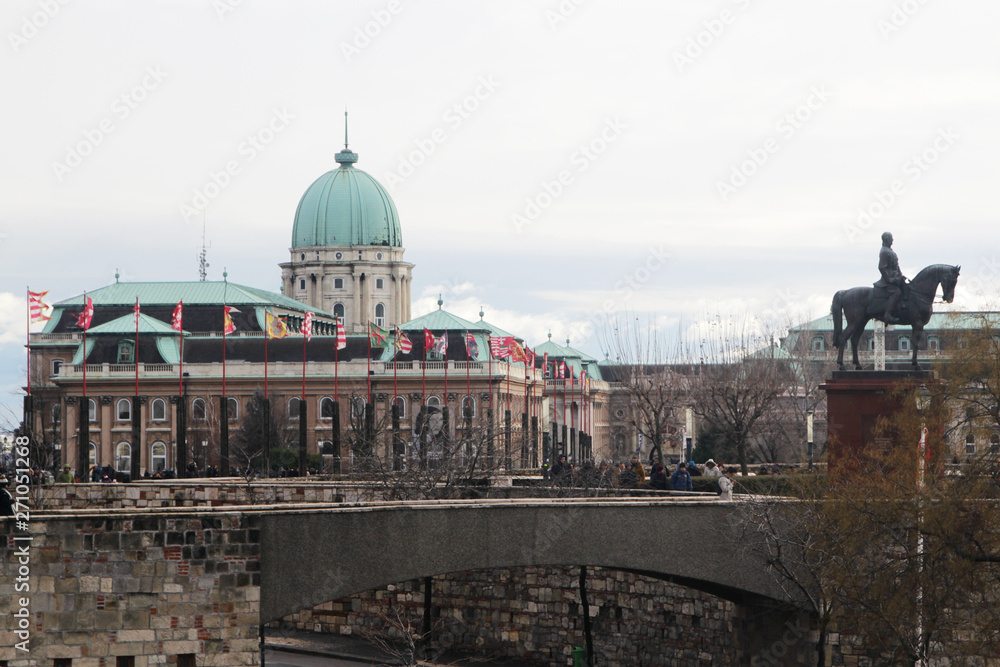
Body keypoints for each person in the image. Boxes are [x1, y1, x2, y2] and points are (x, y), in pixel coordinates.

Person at [875, 231, 907, 323]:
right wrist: (889, 280)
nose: (892, 240)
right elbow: (881, 267)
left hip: (896, 278)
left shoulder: (890, 251)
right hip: (888, 281)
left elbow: (897, 266)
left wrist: (901, 276)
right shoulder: (884, 251)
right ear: (886, 239)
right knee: (896, 292)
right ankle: (887, 315)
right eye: (891, 238)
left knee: (906, 288)